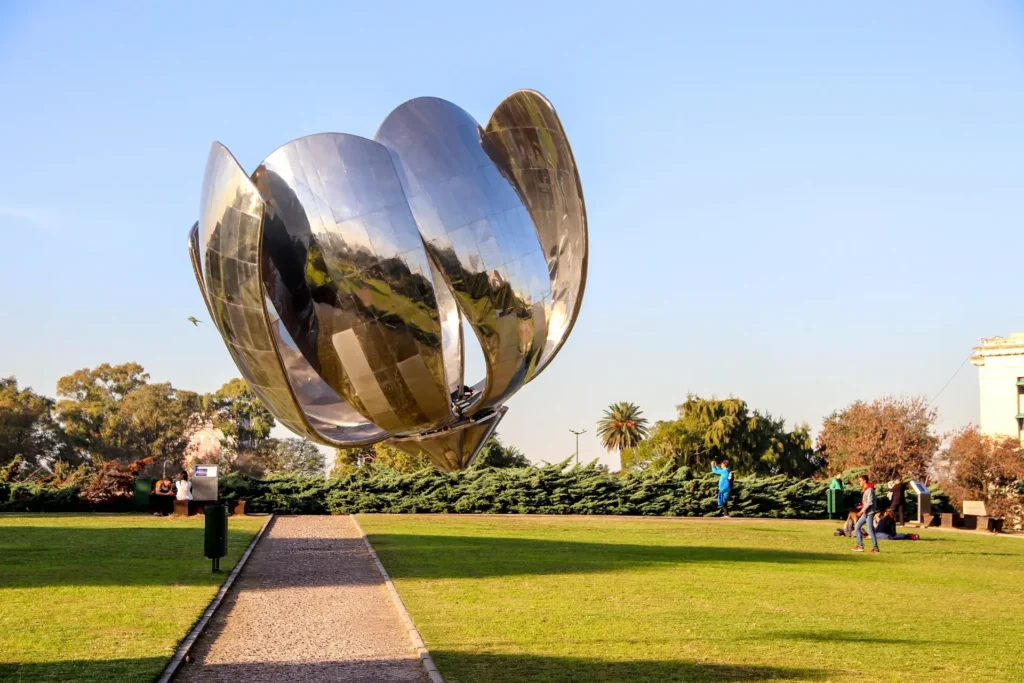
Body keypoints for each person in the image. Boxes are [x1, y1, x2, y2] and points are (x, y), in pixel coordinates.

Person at [852, 473, 880, 553]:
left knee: (870, 530)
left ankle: (875, 548)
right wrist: (861, 507)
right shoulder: (866, 490)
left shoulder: (870, 490)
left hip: (869, 513)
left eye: (860, 481)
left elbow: (870, 502)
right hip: (866, 512)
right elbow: (867, 502)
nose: (859, 482)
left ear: (865, 481)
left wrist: (861, 511)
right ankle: (860, 546)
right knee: (857, 526)